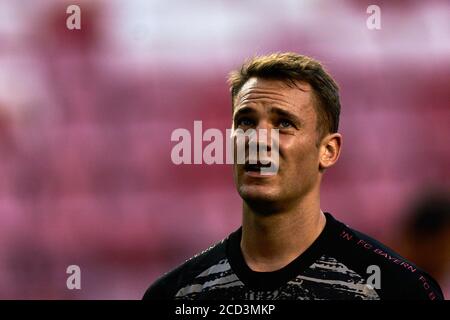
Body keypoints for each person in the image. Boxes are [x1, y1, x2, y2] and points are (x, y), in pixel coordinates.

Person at [143, 53, 443, 300]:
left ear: (328, 150)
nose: (258, 139)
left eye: (283, 123)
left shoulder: (398, 290)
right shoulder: (176, 295)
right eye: (246, 121)